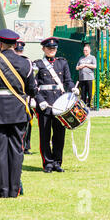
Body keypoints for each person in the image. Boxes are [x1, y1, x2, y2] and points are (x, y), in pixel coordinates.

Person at [0, 29, 37, 198]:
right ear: (16, 45)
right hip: (18, 111)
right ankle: (15, 190)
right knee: (17, 150)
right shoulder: (26, 63)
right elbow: (32, 89)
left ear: (1, 44)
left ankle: (2, 190)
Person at [33, 37, 79, 173]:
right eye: (49, 48)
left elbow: (68, 80)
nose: (51, 50)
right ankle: (47, 163)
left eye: (53, 49)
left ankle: (57, 162)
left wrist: (73, 89)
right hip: (45, 104)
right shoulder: (38, 64)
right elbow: (34, 86)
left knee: (59, 135)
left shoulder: (62, 63)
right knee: (45, 135)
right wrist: (39, 100)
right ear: (43, 49)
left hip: (59, 104)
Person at [15, 41, 35, 155]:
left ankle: (26, 145)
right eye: (17, 50)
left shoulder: (27, 62)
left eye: (20, 51)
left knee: (28, 122)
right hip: (16, 97)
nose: (19, 53)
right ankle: (19, 145)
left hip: (26, 97)